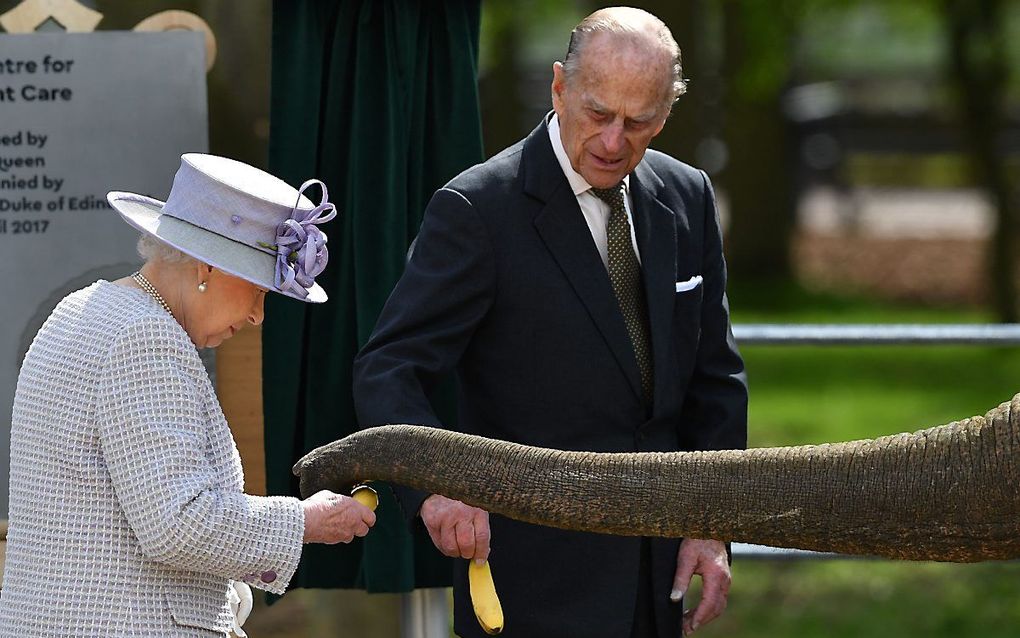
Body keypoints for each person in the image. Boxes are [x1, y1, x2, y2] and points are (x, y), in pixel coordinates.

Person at [353, 7, 747, 638]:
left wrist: (710, 524)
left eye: (638, 121)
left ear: (665, 115)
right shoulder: (477, 208)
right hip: (528, 583)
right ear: (559, 87)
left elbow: (715, 380)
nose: (615, 141)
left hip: (657, 580)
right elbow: (389, 369)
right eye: (598, 114)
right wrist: (436, 490)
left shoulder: (688, 194)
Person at [0, 154, 376, 637]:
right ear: (207, 266)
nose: (259, 316)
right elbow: (178, 523)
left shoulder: (80, 310)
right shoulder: (146, 335)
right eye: (259, 290)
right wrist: (303, 521)